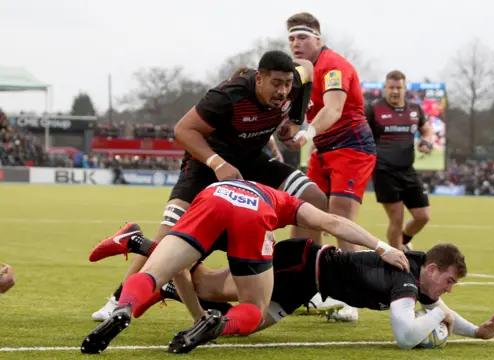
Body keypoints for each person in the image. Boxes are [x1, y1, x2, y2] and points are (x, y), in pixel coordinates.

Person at [90, 50, 328, 322]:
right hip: (207, 163)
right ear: (259, 79)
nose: (283, 91)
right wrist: (217, 163)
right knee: (169, 233)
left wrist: (296, 119)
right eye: (276, 83)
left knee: (314, 197)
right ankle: (120, 298)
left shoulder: (292, 82)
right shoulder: (229, 95)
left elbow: (307, 66)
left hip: (252, 161)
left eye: (287, 84)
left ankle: (301, 281)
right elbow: (183, 129)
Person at [82, 179, 409, 355]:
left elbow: (183, 269)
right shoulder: (282, 201)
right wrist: (382, 247)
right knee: (253, 307)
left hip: (209, 202)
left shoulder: (218, 188)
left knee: (155, 274)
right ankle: (214, 325)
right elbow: (333, 222)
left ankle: (124, 305)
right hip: (251, 217)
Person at [92, 237, 494, 349]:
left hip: (304, 282)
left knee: (247, 324)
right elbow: (405, 336)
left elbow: (440, 306)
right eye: (450, 281)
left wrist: (477, 332)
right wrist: (439, 319)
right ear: (432, 270)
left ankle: (173, 284)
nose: (447, 291)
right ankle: (141, 243)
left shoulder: (419, 277)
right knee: (203, 284)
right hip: (298, 265)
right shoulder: (406, 281)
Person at [281, 11, 377, 322]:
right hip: (323, 150)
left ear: (318, 39)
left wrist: (307, 133)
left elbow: (334, 110)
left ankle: (350, 298)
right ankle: (307, 290)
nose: (296, 43)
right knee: (304, 216)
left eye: (302, 37)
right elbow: (293, 112)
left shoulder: (333, 65)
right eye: (292, 38)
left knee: (338, 217)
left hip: (351, 147)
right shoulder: (299, 72)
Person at [367, 70, 433, 252]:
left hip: (408, 170)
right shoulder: (373, 109)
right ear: (385, 88)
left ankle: (404, 241)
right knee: (396, 218)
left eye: (399, 88)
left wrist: (426, 141)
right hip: (383, 171)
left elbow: (427, 130)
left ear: (405, 88)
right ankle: (396, 263)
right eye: (391, 87)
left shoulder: (415, 110)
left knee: (423, 216)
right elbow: (362, 134)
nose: (395, 92)